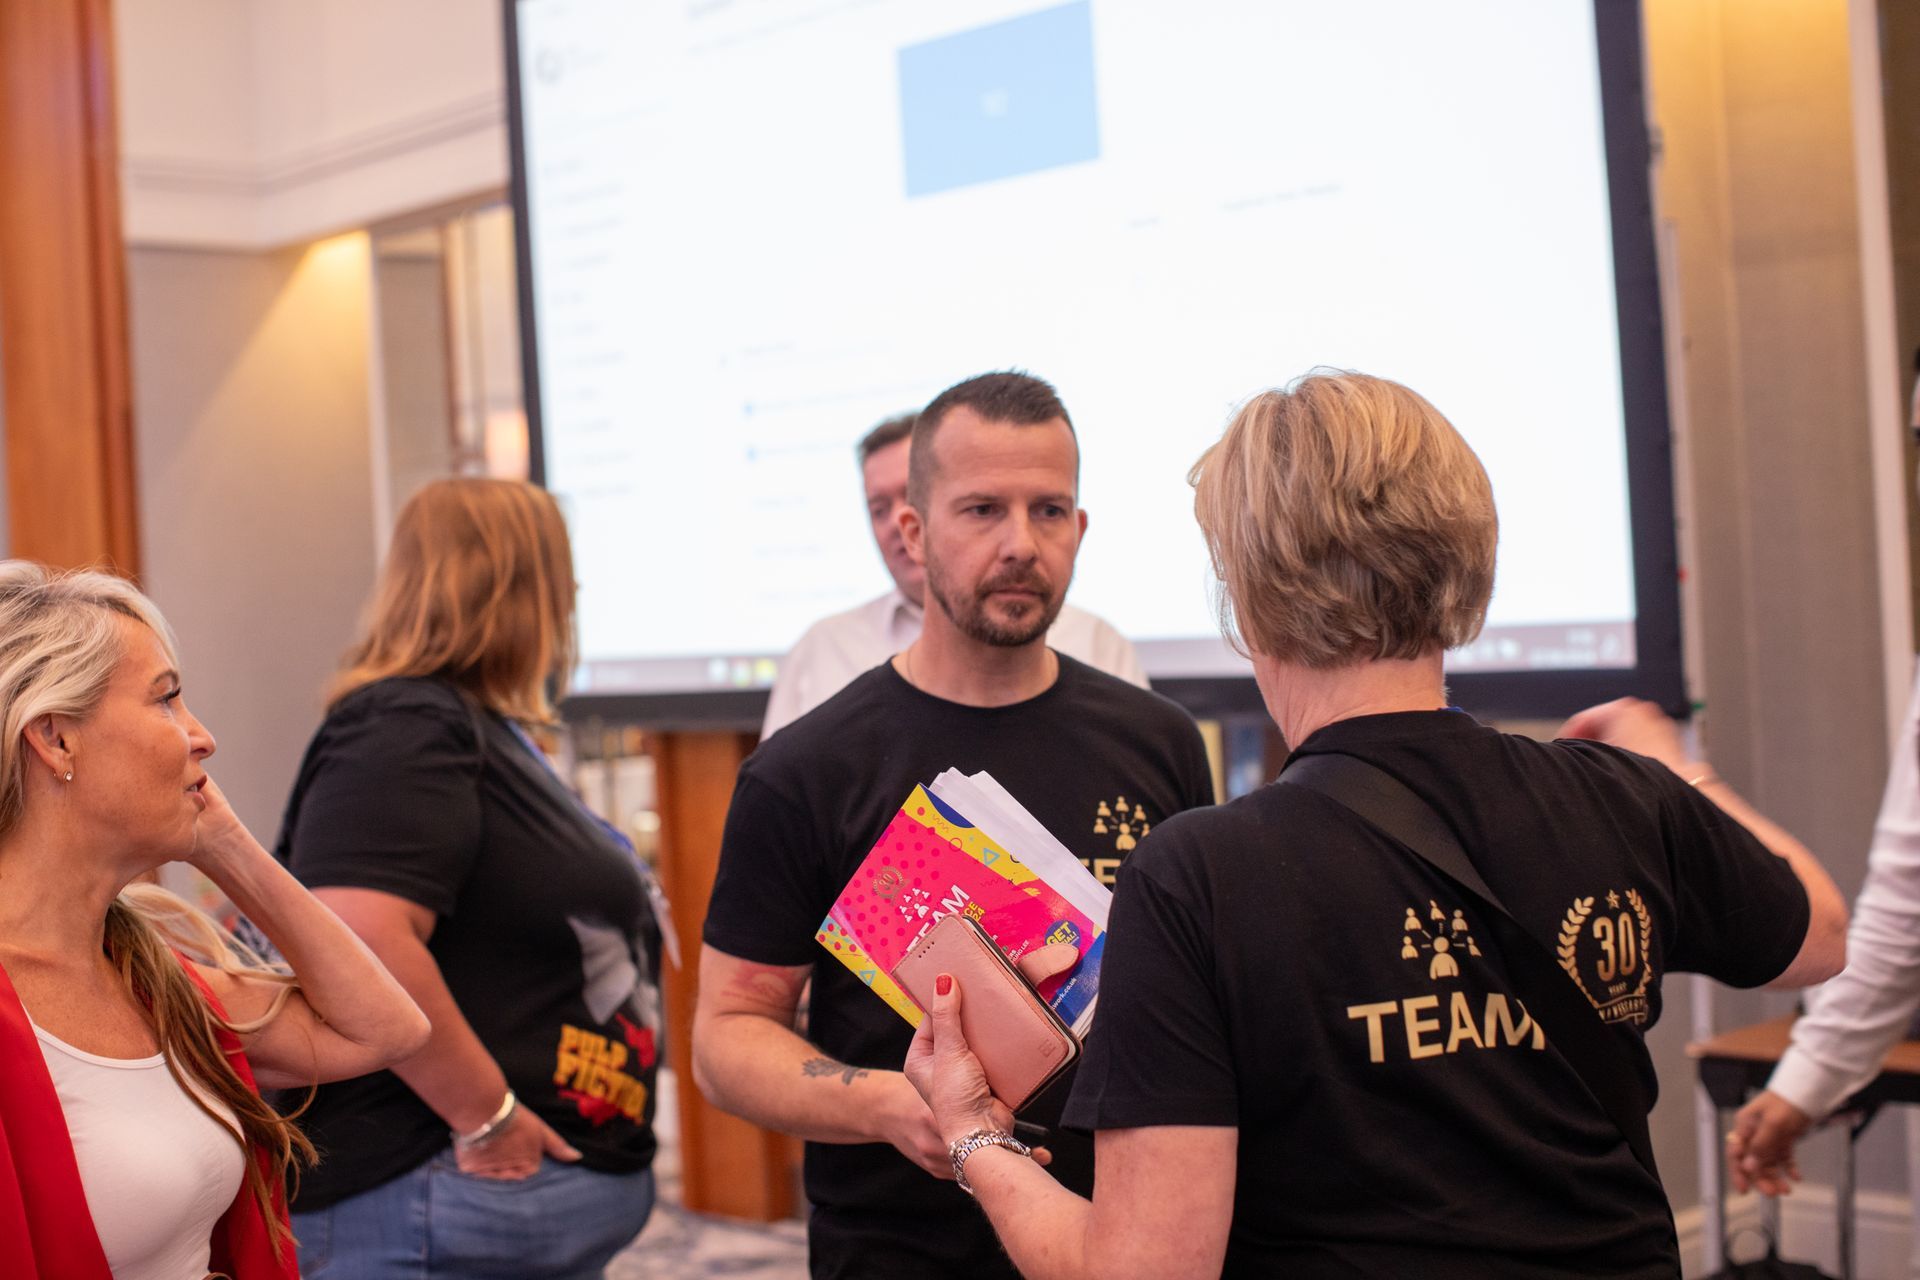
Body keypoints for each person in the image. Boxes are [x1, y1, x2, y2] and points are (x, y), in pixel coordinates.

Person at [907, 370, 1850, 1279]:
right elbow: (1820, 934)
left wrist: (973, 1132)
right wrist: (1679, 765)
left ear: (1247, 600)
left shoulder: (1202, 874)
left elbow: (1147, 1270)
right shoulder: (1623, 796)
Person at [695, 371, 1217, 1279]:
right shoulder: (805, 772)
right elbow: (727, 1037)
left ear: (1081, 530)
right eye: (982, 510)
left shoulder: (1159, 742)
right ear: (912, 532)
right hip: (898, 1247)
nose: (1021, 544)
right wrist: (891, 1106)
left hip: (1123, 1238)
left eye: (1049, 511)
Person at [276, 478, 667, 1278]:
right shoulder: (407, 724)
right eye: (563, 577)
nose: (576, 599)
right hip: (421, 1196)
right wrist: (487, 1117)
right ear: (522, 586)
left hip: (472, 1210)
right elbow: (363, 936)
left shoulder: (475, 728)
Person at [0, 562, 429, 1279]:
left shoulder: (148, 977)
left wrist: (227, 845)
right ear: (55, 738)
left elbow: (385, 1030)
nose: (201, 737)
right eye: (166, 700)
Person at [760, 411, 1148, 737]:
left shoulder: (1095, 642)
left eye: (911, 496)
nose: (896, 522)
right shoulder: (822, 649)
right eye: (879, 508)